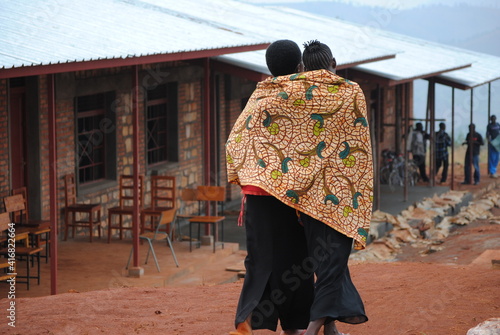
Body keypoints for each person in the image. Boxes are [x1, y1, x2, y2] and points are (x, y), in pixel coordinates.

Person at [227, 40, 314, 335]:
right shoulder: (305, 97)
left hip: (256, 194)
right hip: (291, 195)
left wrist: (246, 174)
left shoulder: (258, 97)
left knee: (260, 258)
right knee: (295, 258)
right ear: (300, 67)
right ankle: (296, 326)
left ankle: (252, 318)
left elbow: (235, 141)